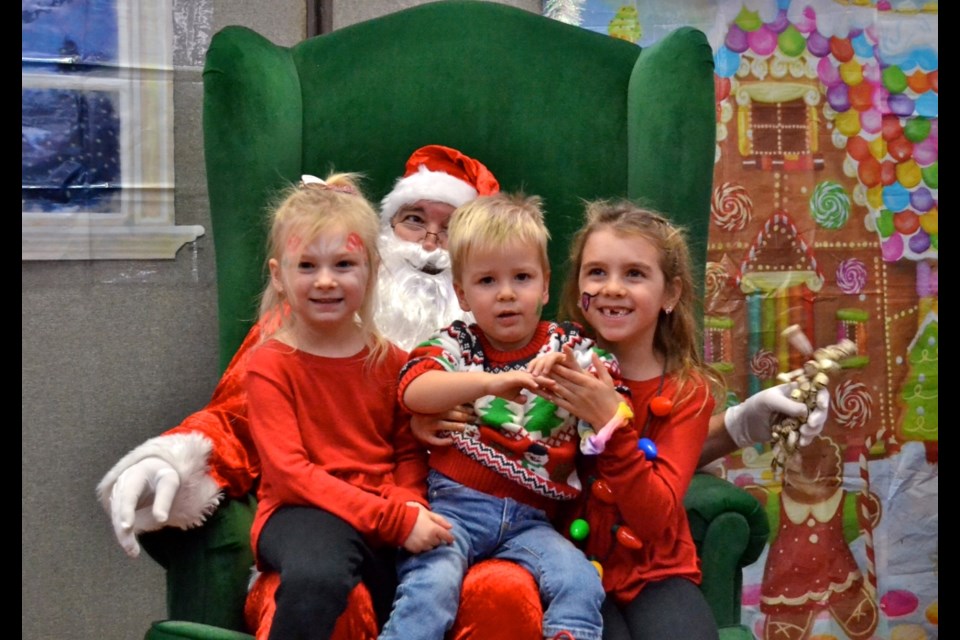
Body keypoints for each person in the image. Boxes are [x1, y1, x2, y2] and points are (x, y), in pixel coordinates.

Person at [96, 144, 825, 638]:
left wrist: (736, 422)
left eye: (454, 233)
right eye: (415, 222)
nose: (432, 249)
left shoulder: (566, 350)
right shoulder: (364, 343)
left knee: (522, 592)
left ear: (542, 284)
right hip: (409, 521)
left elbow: (646, 441)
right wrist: (177, 454)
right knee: (352, 587)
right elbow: (244, 420)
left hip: (518, 529)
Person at [379, 192, 610, 640]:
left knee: (580, 581)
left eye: (521, 277)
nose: (506, 293)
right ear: (462, 294)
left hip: (532, 521)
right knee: (432, 586)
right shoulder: (458, 343)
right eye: (487, 281)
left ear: (544, 285)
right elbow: (413, 389)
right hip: (456, 510)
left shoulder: (568, 345)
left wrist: (570, 375)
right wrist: (490, 383)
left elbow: (613, 400)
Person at [242, 173, 455, 638]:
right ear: (279, 275)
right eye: (306, 266)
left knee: (443, 572)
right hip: (301, 512)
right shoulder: (269, 365)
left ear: (372, 269)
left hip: (381, 513)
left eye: (343, 264)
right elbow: (291, 473)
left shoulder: (393, 362)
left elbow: (406, 453)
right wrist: (394, 519)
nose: (325, 281)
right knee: (320, 574)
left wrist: (408, 503)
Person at [540, 200, 723, 639]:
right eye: (596, 272)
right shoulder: (553, 362)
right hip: (566, 565)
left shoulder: (687, 392)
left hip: (653, 568)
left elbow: (655, 517)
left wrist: (611, 424)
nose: (612, 288)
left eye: (635, 274)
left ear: (671, 294)